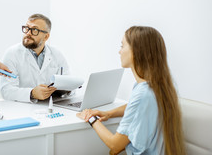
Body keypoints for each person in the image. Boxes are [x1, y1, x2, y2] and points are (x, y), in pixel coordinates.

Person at [77, 26, 185, 155]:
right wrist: (109, 114)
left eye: (122, 46)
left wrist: (91, 118)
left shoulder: (143, 94)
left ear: (137, 51)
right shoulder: (157, 86)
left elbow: (115, 145)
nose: (119, 51)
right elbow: (136, 107)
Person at [0, 14, 70, 103]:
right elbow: (6, 91)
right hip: (23, 108)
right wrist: (32, 93)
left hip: (51, 105)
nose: (28, 33)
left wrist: (67, 88)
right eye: (27, 28)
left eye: (34, 30)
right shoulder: (12, 54)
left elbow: (68, 82)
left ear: (46, 36)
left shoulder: (56, 54)